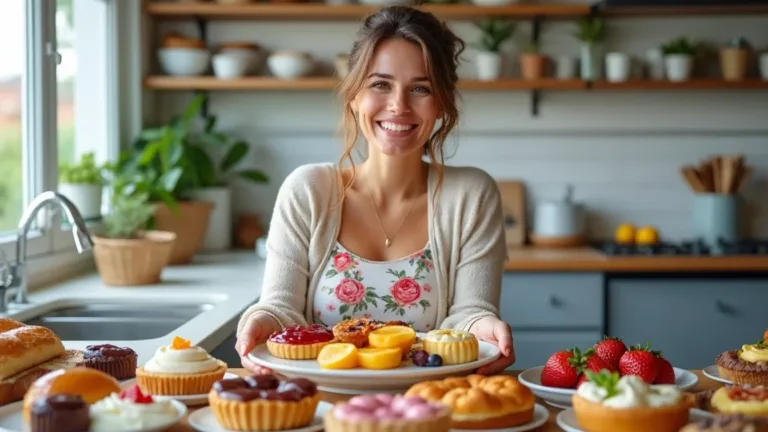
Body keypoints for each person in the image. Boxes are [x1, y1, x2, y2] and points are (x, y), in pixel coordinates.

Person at [235, 5, 515, 375]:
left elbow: (467, 315)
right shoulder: (308, 190)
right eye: (380, 84)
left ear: (443, 105)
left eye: (420, 88)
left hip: (430, 408)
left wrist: (483, 327)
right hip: (323, 406)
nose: (398, 105)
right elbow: (282, 308)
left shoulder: (472, 195)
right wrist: (262, 319)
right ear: (354, 96)